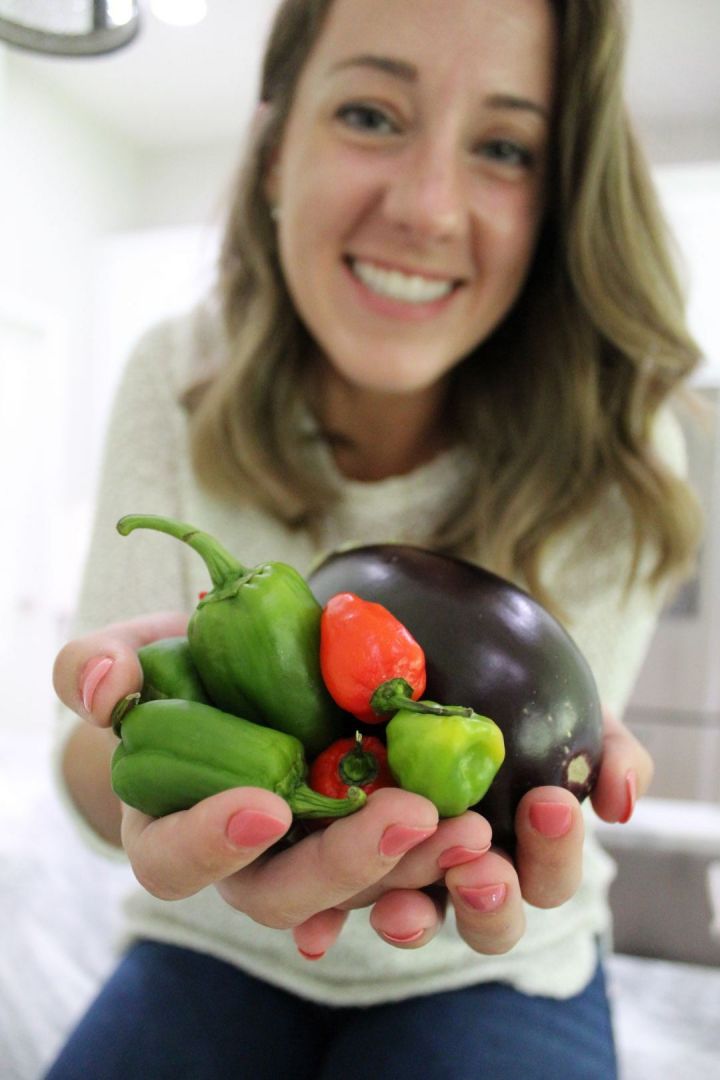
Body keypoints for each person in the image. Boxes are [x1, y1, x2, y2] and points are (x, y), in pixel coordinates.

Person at [46, 0, 702, 1077]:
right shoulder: (175, 375)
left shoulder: (621, 449)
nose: (427, 208)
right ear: (274, 150)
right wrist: (122, 733)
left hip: (495, 960)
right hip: (208, 938)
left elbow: (526, 788)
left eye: (505, 147)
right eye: (370, 114)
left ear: (560, 201)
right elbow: (92, 770)